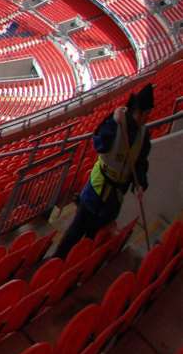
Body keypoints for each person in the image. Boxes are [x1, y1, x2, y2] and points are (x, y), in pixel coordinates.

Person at [53, 85, 152, 260]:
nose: (147, 118)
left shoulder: (144, 134)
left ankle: (76, 266)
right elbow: (99, 144)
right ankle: (57, 261)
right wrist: (113, 123)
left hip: (115, 196)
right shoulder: (114, 122)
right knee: (75, 231)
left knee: (93, 235)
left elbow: (140, 162)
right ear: (137, 111)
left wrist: (140, 183)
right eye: (145, 113)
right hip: (97, 188)